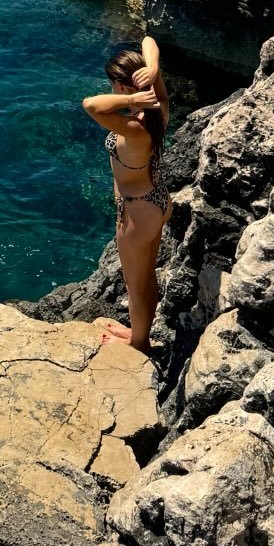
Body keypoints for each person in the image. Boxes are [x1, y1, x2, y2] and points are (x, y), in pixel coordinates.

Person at [81, 35, 172, 355]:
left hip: (136, 214)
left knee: (136, 283)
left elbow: (90, 105)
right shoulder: (159, 110)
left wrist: (131, 99)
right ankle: (139, 331)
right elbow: (149, 40)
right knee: (146, 276)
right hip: (158, 201)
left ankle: (139, 342)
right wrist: (153, 70)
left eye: (113, 86)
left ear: (120, 86)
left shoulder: (134, 128)